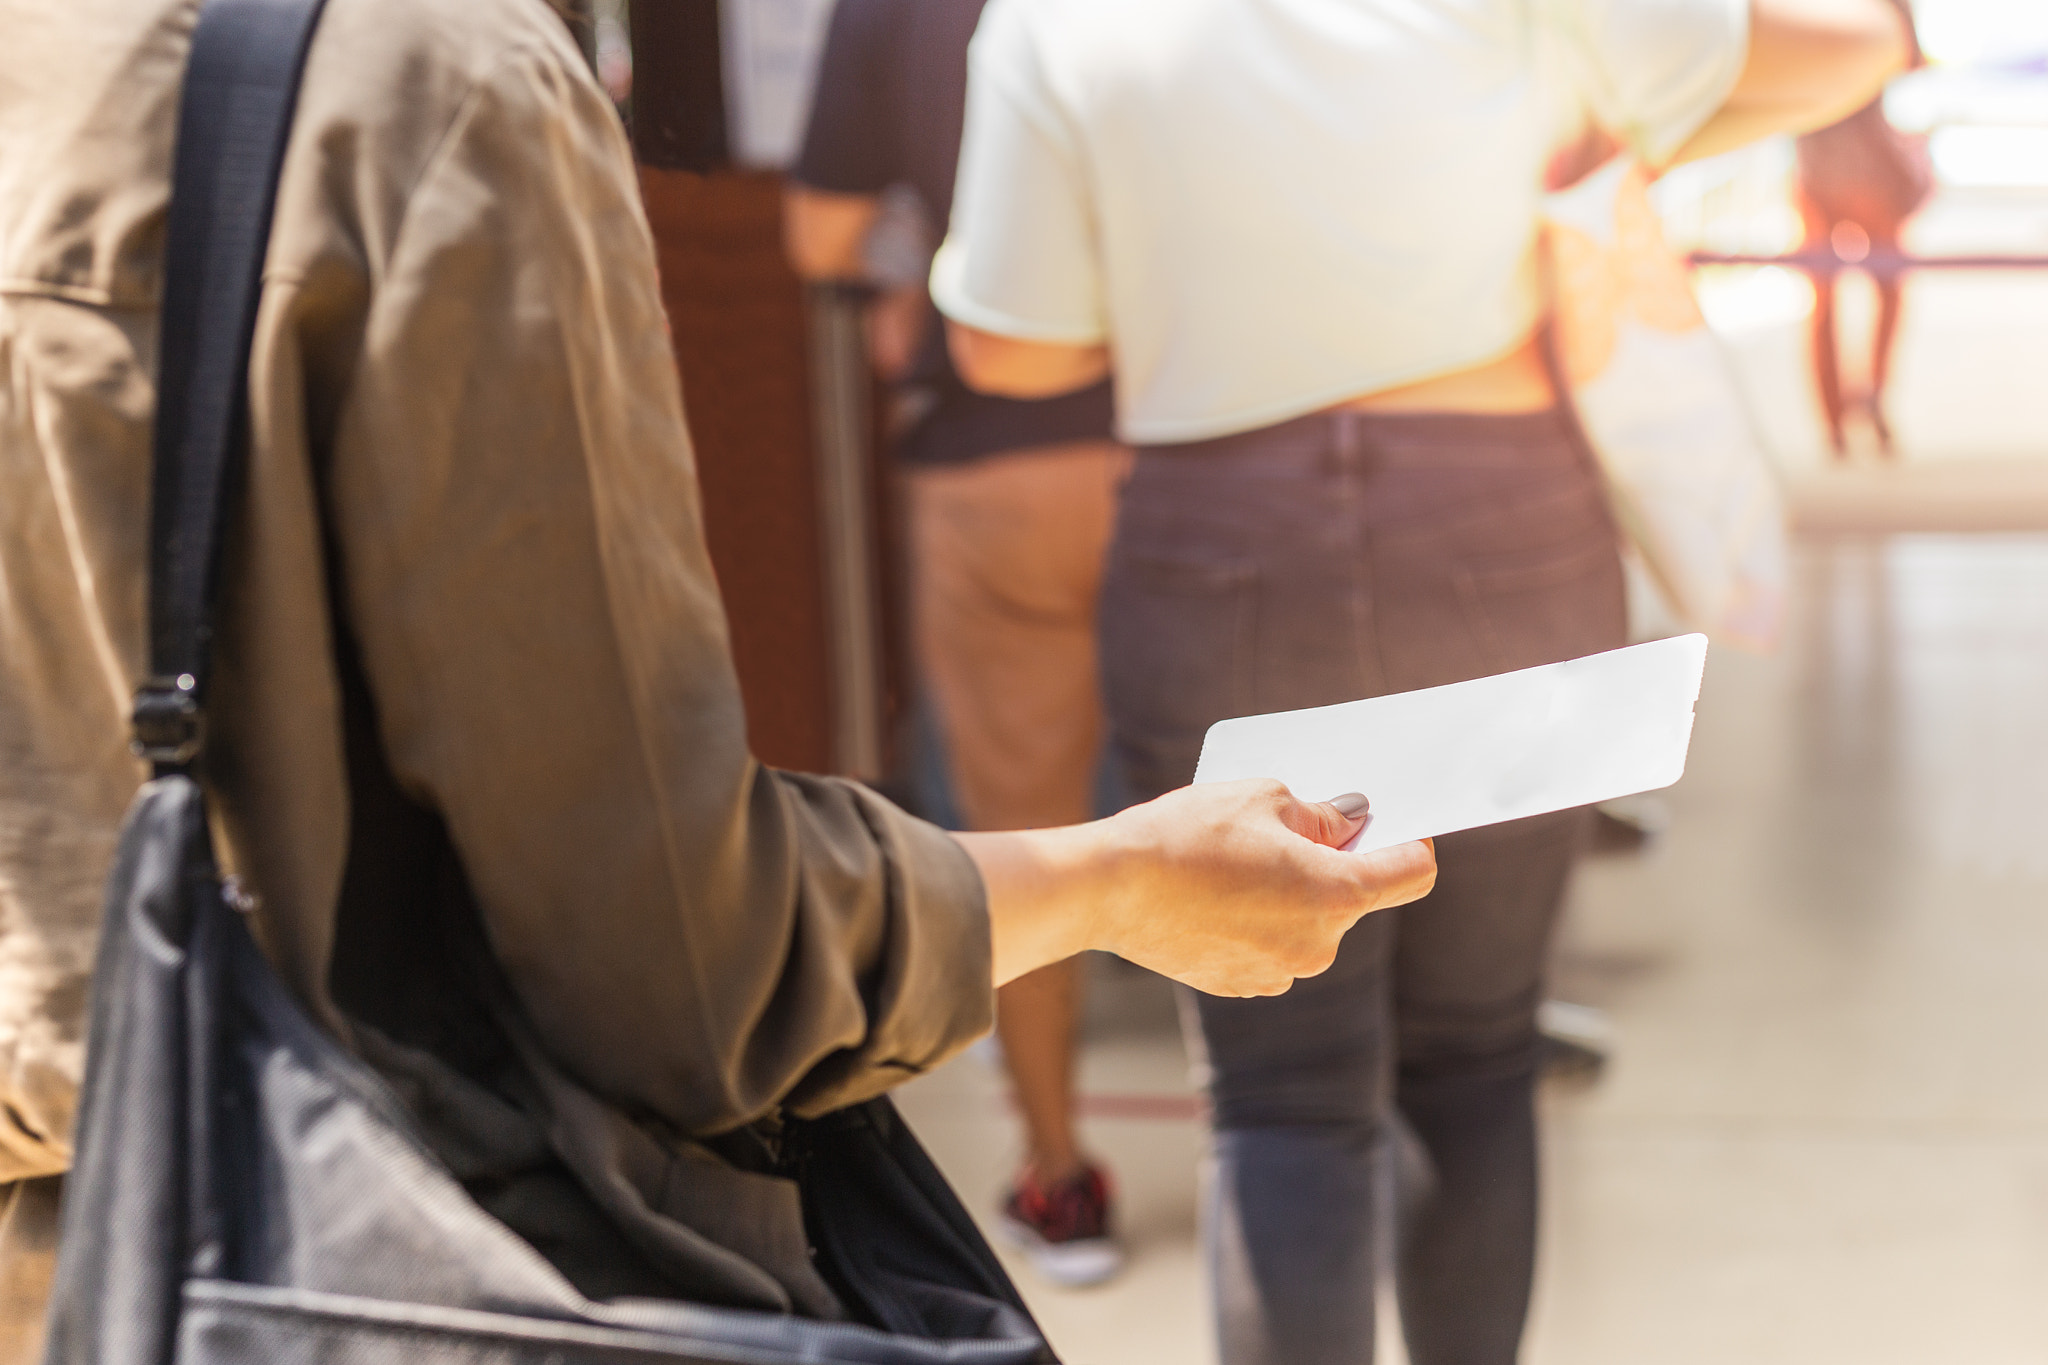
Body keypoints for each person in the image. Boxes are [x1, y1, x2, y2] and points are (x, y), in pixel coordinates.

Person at [0, 0, 1438, 1359]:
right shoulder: (427, 86)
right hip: (381, 1273)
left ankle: (1055, 1161)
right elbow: (682, 960)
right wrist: (1125, 880)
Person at [931, 0, 1907, 1361]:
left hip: (1222, 532)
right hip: (1498, 519)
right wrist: (1638, 119)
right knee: (1475, 1055)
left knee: (1279, 1095)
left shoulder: (1055, 19)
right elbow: (1859, 44)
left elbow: (1008, 346)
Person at [783, 0, 1129, 1288]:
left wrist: (911, 274)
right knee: (1281, 790)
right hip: (1216, 444)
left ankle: (1058, 1171)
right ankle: (1306, 1135)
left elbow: (817, 231)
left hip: (1003, 465)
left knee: (1027, 830)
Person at [1797, 0, 1929, 457]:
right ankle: (1867, 399)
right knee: (1882, 289)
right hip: (1861, 162)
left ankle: (1838, 417)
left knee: (1826, 299)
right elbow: (1911, 59)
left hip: (1815, 158)